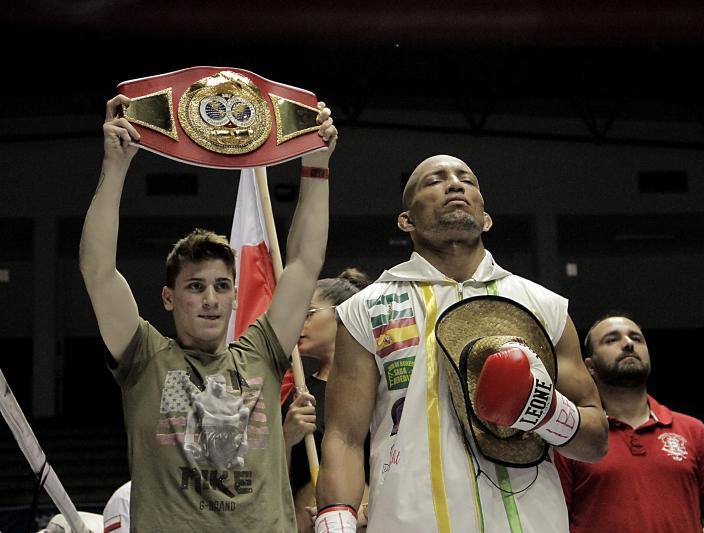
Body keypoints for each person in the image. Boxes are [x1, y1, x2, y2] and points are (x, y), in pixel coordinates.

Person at [79, 94, 336, 531]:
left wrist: (316, 163)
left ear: (236, 296)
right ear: (168, 297)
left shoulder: (262, 353)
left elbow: (304, 264)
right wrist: (116, 165)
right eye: (195, 287)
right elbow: (98, 271)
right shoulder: (147, 359)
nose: (211, 299)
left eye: (221, 287)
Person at [315, 155, 609, 532]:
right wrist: (335, 518)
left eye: (466, 180)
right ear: (406, 221)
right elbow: (343, 437)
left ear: (485, 219)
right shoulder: (364, 309)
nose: (454, 184)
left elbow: (596, 439)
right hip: (410, 520)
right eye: (433, 181)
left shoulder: (544, 306)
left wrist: (548, 412)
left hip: (531, 521)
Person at [555, 313, 704, 533]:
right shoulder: (577, 435)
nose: (628, 344)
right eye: (611, 340)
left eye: (636, 338)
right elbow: (555, 524)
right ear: (590, 367)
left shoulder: (693, 430)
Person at [282, 269, 372, 532]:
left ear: (343, 314)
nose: (299, 322)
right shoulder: (296, 395)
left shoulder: (378, 393)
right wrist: (286, 438)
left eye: (308, 313)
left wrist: (363, 513)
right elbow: (270, 481)